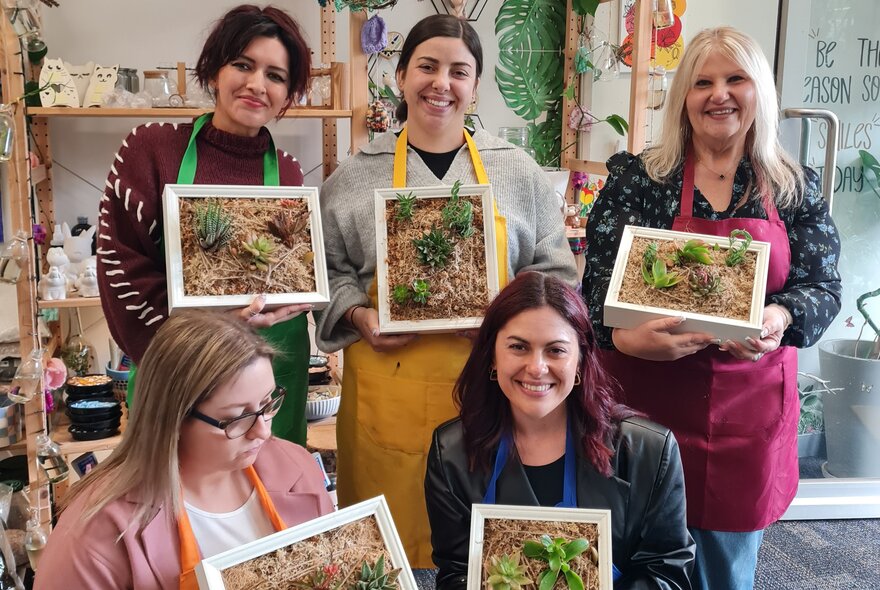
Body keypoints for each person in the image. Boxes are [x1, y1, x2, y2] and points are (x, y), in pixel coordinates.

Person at [582, 27, 841, 590]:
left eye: (735, 79)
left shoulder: (791, 186)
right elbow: (595, 289)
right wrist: (626, 339)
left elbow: (822, 286)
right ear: (683, 98)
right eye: (702, 82)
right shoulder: (640, 180)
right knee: (638, 564)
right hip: (645, 408)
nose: (718, 94)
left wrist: (777, 318)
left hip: (747, 417)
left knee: (726, 568)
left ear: (759, 92)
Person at [315, 14, 577, 567]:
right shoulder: (354, 176)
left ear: (475, 85)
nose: (442, 83)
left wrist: (509, 320)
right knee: (387, 557)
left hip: (494, 390)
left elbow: (557, 275)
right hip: (389, 387)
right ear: (402, 76)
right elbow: (327, 271)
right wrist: (360, 317)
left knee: (487, 554)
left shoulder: (518, 172)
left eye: (459, 71)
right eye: (427, 67)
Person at [96, 4, 313, 444]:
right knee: (176, 503)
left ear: (289, 95)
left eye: (276, 76)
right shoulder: (152, 150)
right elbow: (121, 270)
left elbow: (293, 270)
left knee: (265, 501)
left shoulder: (289, 173)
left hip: (268, 387)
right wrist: (214, 326)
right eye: (243, 65)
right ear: (214, 70)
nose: (257, 84)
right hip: (181, 373)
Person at [425, 271, 694, 590]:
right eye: (518, 347)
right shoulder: (451, 452)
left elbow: (667, 571)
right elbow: (457, 571)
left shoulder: (649, 451)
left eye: (555, 350)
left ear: (580, 361)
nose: (537, 368)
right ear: (492, 358)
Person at [34, 310, 334, 590]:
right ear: (173, 418)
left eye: (268, 403)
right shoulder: (92, 536)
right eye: (237, 418)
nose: (264, 431)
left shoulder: (297, 467)